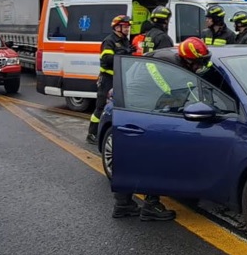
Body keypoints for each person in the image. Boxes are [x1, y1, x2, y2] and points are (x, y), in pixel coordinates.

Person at [111, 37, 214, 221]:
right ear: (188, 60)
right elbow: (178, 98)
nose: (200, 67)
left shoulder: (167, 58)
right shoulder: (174, 72)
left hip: (129, 110)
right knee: (157, 158)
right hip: (145, 112)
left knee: (130, 159)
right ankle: (151, 206)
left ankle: (123, 205)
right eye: (198, 63)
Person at [87, 15, 133, 145]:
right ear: (117, 27)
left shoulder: (125, 41)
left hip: (119, 78)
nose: (128, 29)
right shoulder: (109, 41)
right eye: (125, 26)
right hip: (107, 79)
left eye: (128, 26)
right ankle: (92, 134)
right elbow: (107, 59)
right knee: (101, 107)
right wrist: (124, 53)